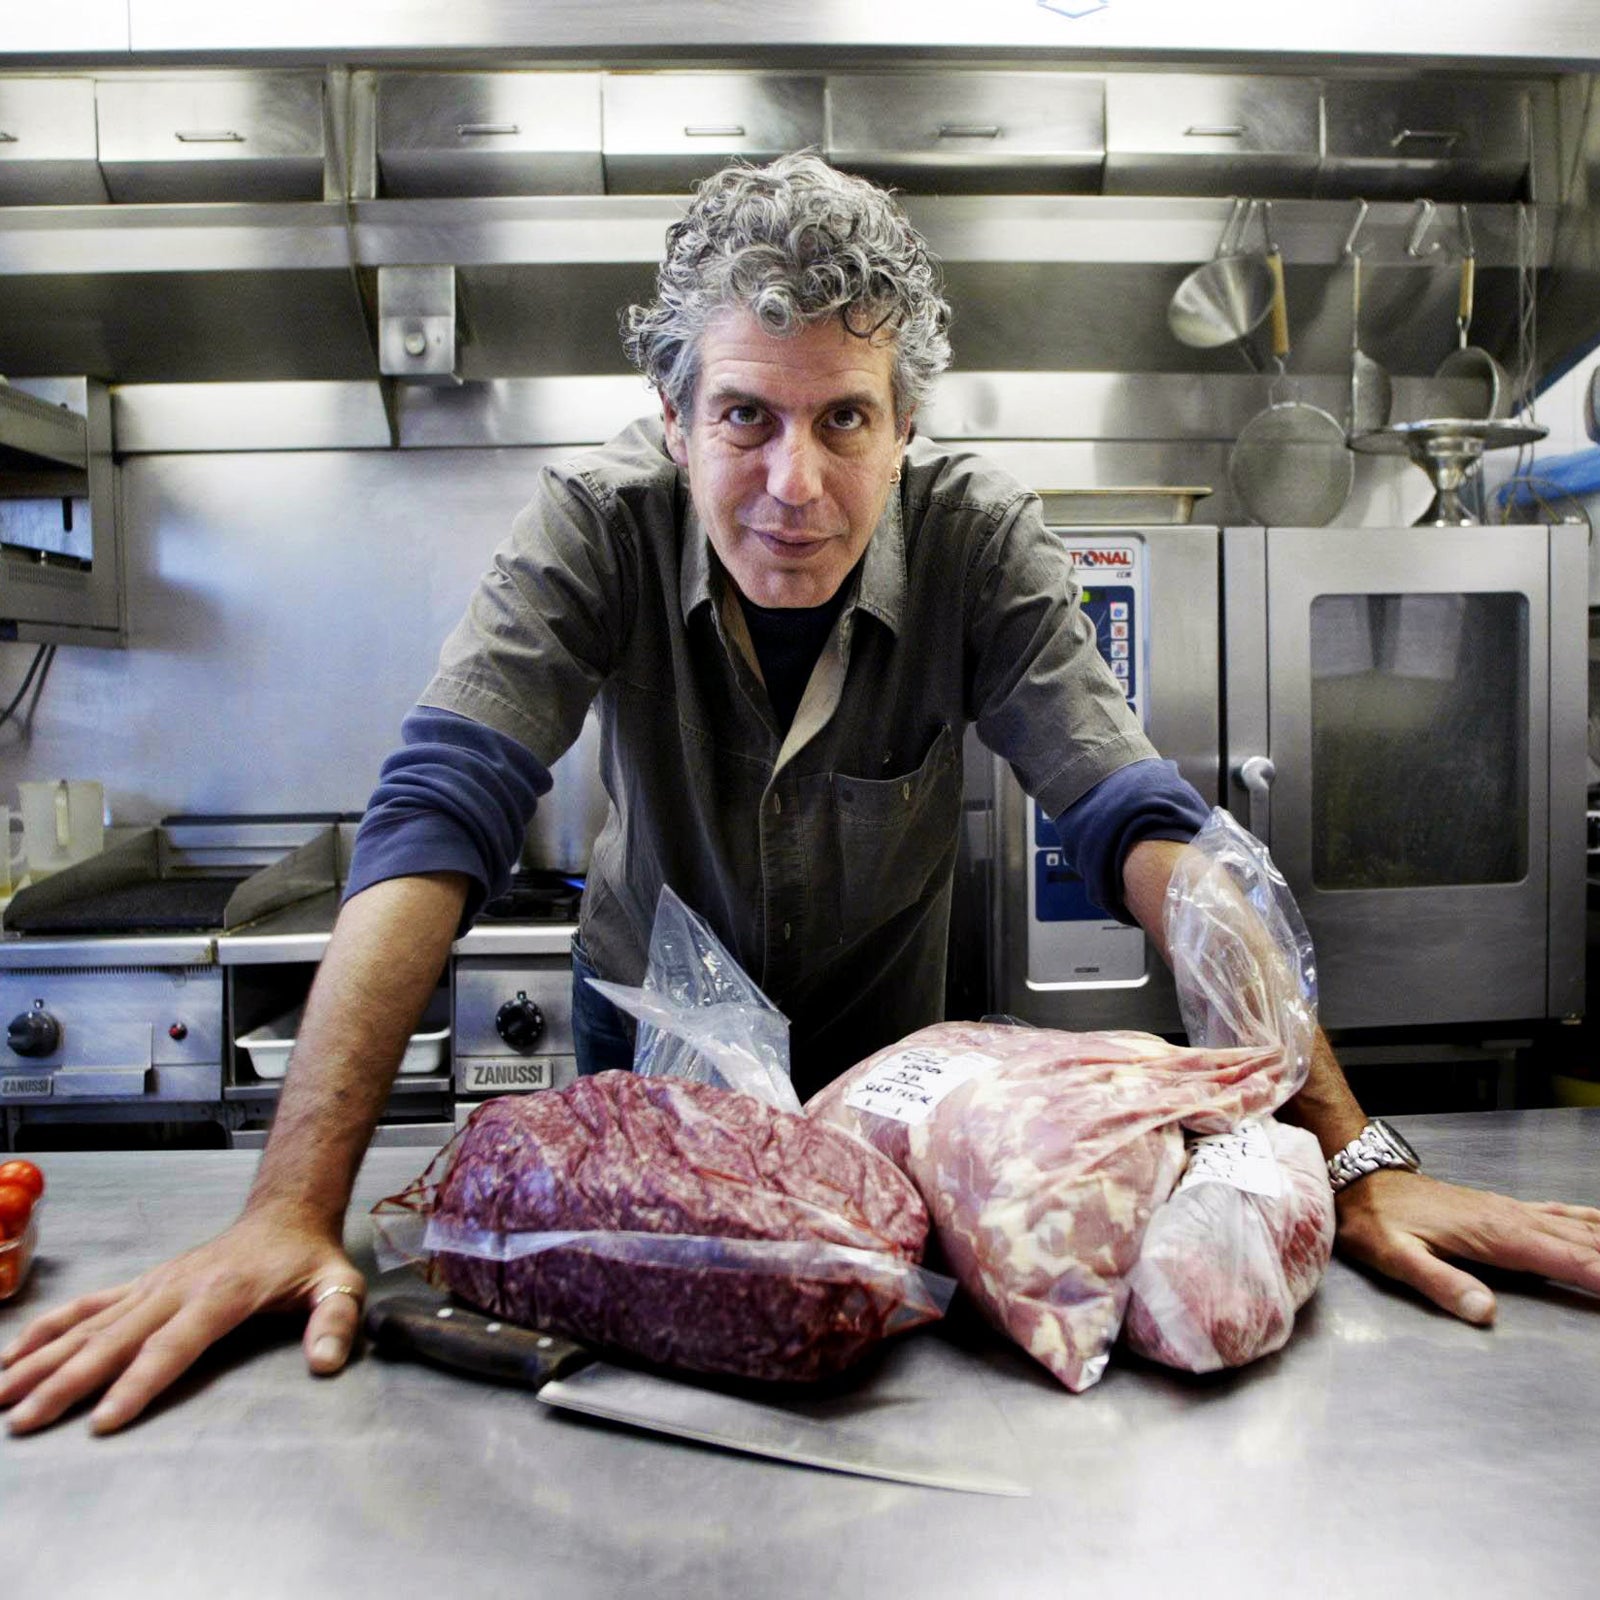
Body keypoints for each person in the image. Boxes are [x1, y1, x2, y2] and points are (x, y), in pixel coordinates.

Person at [3, 154, 1596, 1438]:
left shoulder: (979, 541)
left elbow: (1142, 827)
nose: (796, 485)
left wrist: (1355, 1156)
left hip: (898, 1099)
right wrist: (292, 1207)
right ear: (676, 420)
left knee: (884, 1412)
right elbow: (441, 807)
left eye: (847, 419)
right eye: (747, 418)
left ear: (906, 427)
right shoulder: (597, 524)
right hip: (652, 1087)